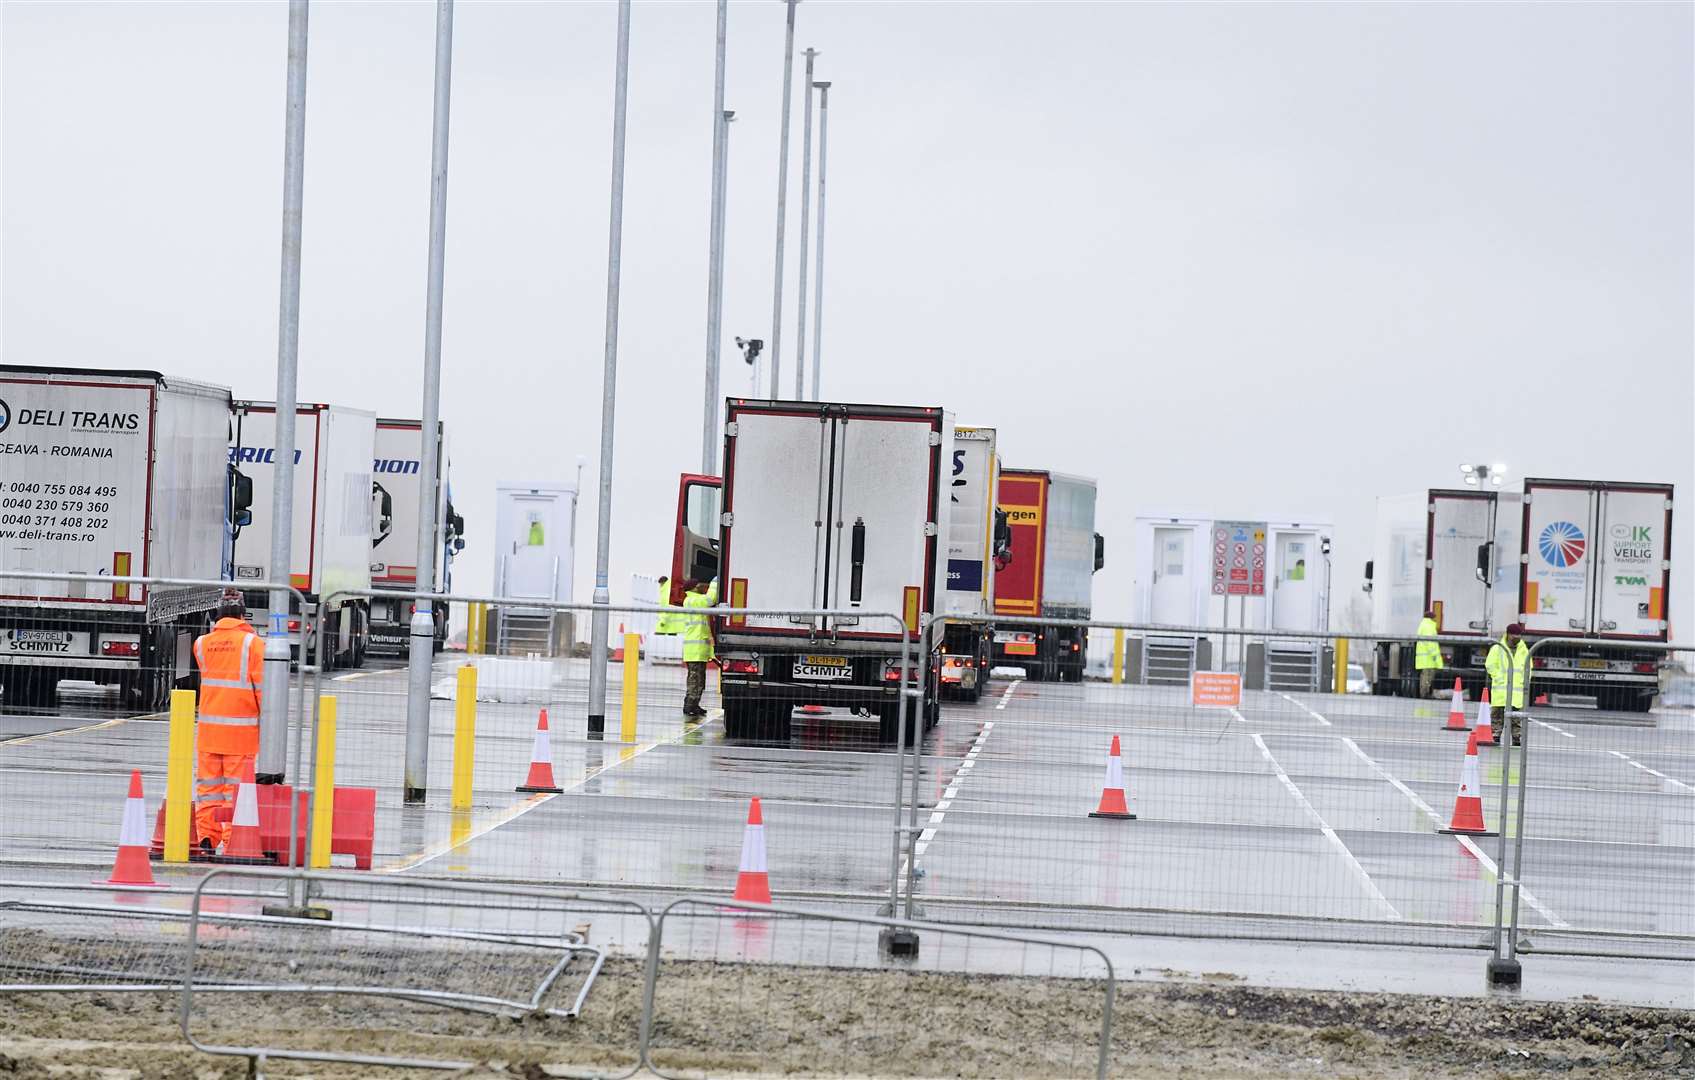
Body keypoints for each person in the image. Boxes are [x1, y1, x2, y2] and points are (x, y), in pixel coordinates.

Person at [192, 598, 265, 854]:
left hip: (209, 733)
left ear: (217, 615)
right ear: (244, 616)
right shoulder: (253, 645)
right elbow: (262, 690)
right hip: (240, 734)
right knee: (235, 791)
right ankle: (232, 840)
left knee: (208, 790)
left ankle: (206, 839)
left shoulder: (201, 644)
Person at [1485, 622, 1531, 744]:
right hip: (1501, 689)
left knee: (1516, 717)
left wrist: (1525, 681)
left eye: (1519, 635)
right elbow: (1490, 665)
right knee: (1497, 714)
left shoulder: (1523, 650)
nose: (1517, 638)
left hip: (1516, 690)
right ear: (1508, 634)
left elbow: (1528, 667)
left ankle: (1516, 738)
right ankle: (1495, 736)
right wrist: (1499, 677)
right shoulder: (1498, 648)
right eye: (1514, 635)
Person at [681, 577, 718, 717]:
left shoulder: (693, 599)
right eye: (698, 585)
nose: (701, 587)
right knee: (695, 680)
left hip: (698, 649)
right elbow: (710, 600)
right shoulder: (693, 600)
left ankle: (694, 705)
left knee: (699, 680)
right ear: (693, 588)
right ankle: (689, 705)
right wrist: (714, 583)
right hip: (695, 649)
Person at [1415, 609, 1444, 698]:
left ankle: (1425, 693)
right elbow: (1431, 643)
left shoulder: (1424, 625)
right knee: (1427, 677)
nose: (1436, 620)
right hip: (1428, 658)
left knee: (1426, 676)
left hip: (1426, 658)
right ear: (1431, 618)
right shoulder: (1428, 626)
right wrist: (1435, 656)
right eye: (1435, 618)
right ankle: (1425, 693)